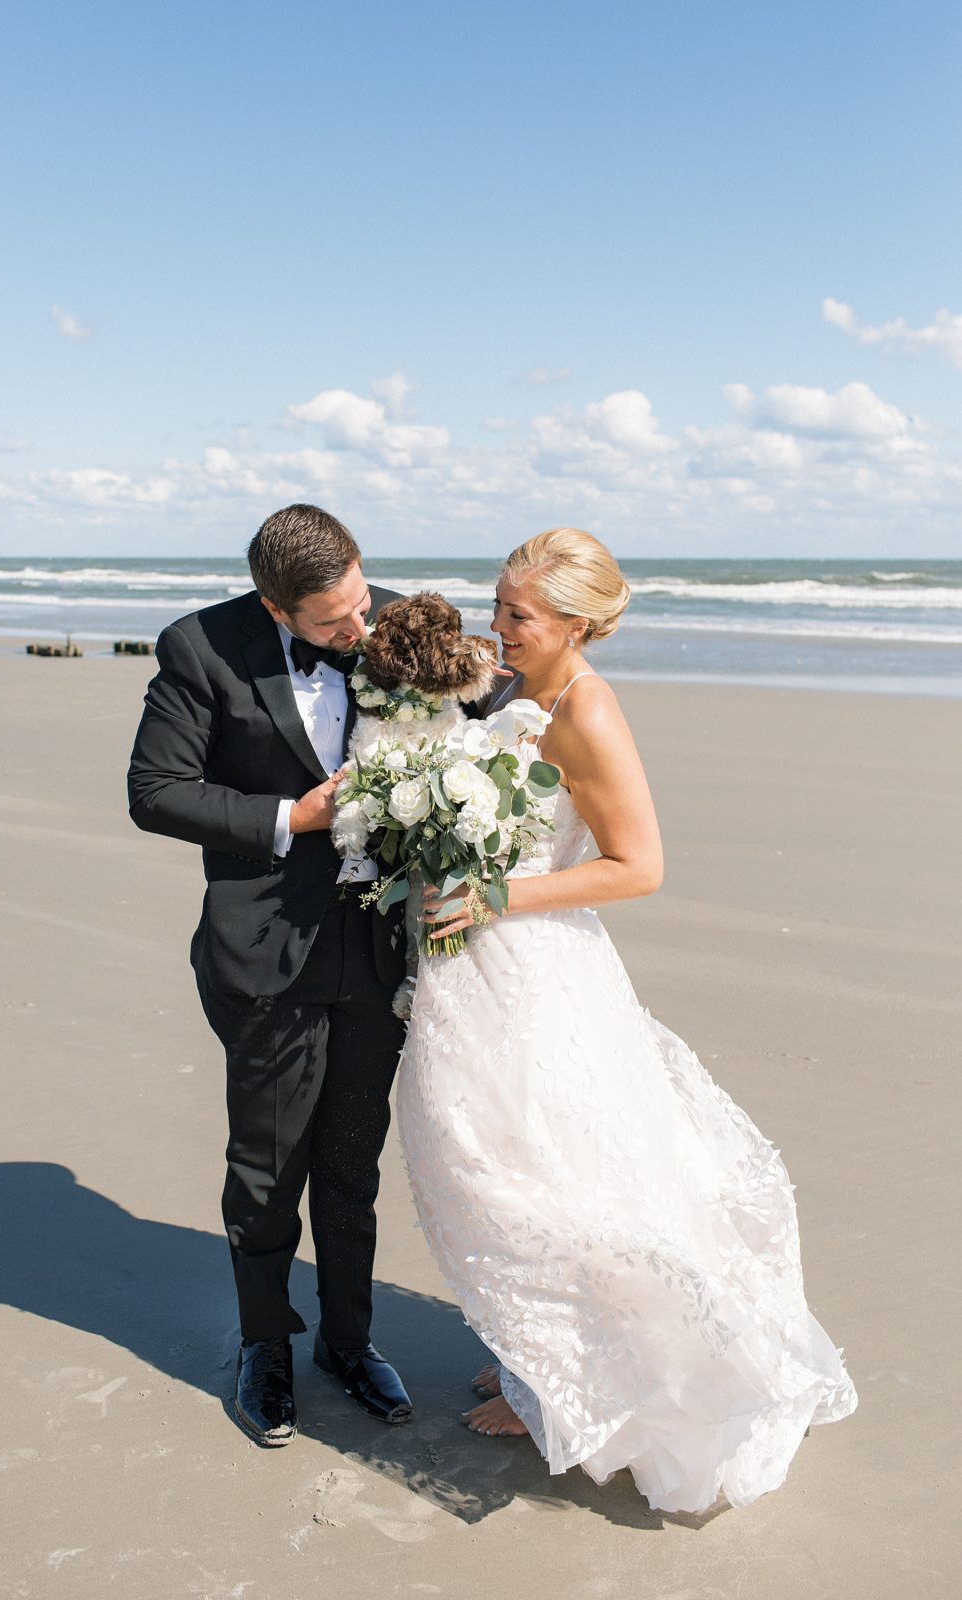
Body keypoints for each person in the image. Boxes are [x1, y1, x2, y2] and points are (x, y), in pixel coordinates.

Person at [398, 527, 857, 1513]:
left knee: (545, 1179)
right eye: (496, 602)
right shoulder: (527, 691)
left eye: (515, 614)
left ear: (573, 623)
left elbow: (637, 865)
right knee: (498, 1169)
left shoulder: (587, 714)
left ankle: (567, 1391)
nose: (496, 624)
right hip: (471, 974)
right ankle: (540, 1359)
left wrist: (490, 900)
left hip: (529, 973)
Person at [127, 504, 412, 1447]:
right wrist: (295, 816)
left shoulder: (394, 624)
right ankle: (264, 1349)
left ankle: (349, 1341)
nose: (359, 631)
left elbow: (488, 711)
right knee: (266, 1168)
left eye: (362, 602)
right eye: (334, 622)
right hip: (264, 952)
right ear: (274, 606)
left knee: (350, 1160)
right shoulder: (198, 648)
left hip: (376, 950)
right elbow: (156, 793)